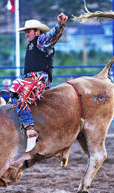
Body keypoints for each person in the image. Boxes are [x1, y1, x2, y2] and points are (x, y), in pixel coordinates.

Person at [10, 13, 68, 152]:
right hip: (30, 79)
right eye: (25, 32)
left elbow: (52, 36)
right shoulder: (32, 45)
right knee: (10, 93)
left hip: (39, 80)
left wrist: (60, 25)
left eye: (28, 31)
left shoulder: (41, 40)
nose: (26, 34)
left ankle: (30, 129)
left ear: (37, 31)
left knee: (18, 89)